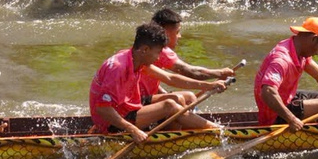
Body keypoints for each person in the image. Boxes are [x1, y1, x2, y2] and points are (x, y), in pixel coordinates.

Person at [88, 22, 222, 140]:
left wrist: (210, 86)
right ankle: (219, 131)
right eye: (157, 52)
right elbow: (103, 110)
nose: (158, 58)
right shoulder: (118, 68)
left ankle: (171, 136)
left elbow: (170, 78)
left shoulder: (136, 57)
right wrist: (133, 130)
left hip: (128, 106)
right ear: (145, 50)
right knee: (169, 105)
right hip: (111, 121)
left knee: (181, 98)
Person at [140, 9, 237, 104]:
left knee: (185, 99)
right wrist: (220, 73)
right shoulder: (162, 51)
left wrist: (165, 94)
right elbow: (191, 72)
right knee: (189, 97)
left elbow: (150, 81)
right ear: (164, 33)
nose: (180, 36)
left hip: (143, 98)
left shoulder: (145, 48)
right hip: (139, 101)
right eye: (177, 32)